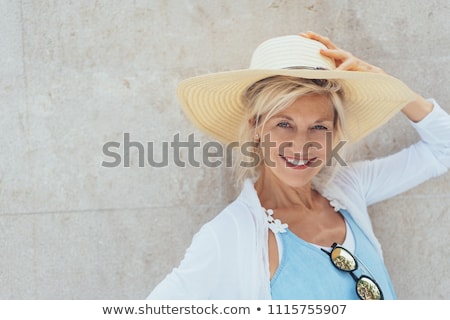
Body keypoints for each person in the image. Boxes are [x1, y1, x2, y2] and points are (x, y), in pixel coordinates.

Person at [147, 31, 450, 299]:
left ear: (334, 134)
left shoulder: (349, 189)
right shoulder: (231, 234)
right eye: (284, 123)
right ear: (256, 127)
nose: (301, 145)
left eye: (318, 127)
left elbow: (443, 148)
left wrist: (390, 86)